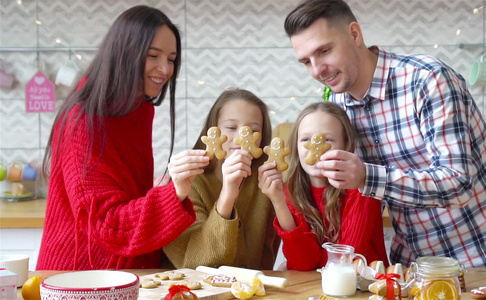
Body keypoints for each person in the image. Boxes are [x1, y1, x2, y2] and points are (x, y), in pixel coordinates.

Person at [284, 0, 486, 268]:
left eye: (324, 51)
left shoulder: (428, 80)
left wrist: (366, 175)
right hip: (415, 264)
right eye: (306, 61)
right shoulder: (339, 105)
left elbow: (458, 185)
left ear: (354, 34)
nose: (317, 70)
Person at [37, 5, 198, 270]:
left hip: (127, 271)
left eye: (171, 58)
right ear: (125, 53)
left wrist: (160, 189)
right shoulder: (82, 120)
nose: (165, 69)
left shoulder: (138, 109)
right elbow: (107, 224)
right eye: (153, 55)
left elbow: (122, 196)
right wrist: (174, 192)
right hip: (79, 276)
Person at [258, 102, 389, 271]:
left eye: (327, 140)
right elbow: (303, 264)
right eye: (306, 139)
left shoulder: (361, 189)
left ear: (345, 145)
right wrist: (279, 203)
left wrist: (294, 265)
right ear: (296, 147)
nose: (316, 149)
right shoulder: (288, 192)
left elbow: (344, 262)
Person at [163, 88, 280, 270]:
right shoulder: (188, 182)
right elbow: (197, 264)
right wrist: (227, 195)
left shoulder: (266, 182)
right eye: (231, 127)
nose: (241, 138)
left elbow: (267, 255)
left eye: (252, 130)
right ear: (213, 131)